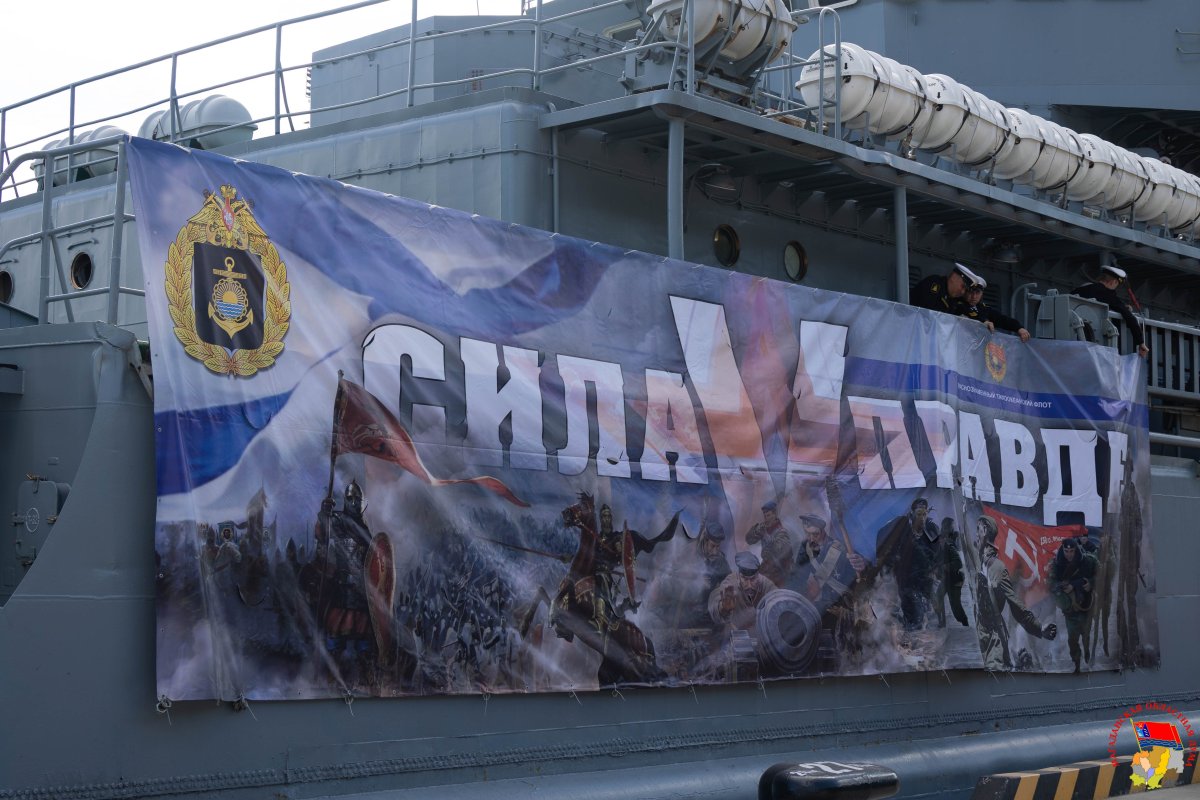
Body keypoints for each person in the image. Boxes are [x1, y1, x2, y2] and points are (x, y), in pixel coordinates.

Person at [975, 516, 1057, 671]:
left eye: (978, 531)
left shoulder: (997, 568)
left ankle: (1023, 656)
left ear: (985, 532)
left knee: (1017, 638)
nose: (976, 537)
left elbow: (1017, 606)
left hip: (995, 639)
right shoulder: (983, 564)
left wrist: (1039, 628)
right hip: (986, 636)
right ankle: (1022, 656)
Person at [792, 513, 866, 655]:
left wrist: (861, 564)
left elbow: (861, 574)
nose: (811, 539)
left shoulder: (839, 549)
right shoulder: (807, 547)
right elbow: (797, 576)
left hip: (843, 606)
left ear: (823, 531)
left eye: (815, 534)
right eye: (807, 534)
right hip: (823, 605)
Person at [874, 497, 942, 630]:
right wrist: (887, 566)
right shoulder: (902, 527)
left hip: (923, 577)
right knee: (910, 613)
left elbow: (937, 553)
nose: (922, 518)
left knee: (927, 613)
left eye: (924, 514)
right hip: (904, 576)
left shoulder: (931, 529)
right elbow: (885, 541)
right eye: (919, 514)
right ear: (912, 513)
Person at [1072, 263, 1149, 357]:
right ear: (1113, 282)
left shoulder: (1081, 289)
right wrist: (1141, 343)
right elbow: (1129, 317)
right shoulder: (1108, 295)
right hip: (1094, 347)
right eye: (1117, 285)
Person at [1048, 537, 1099, 673]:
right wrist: (1060, 587)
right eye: (1066, 551)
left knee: (1086, 635)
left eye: (1072, 551)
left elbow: (1101, 574)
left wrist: (1090, 583)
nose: (1069, 554)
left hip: (1086, 605)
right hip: (1070, 609)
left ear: (1076, 550)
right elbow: (1050, 583)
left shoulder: (1087, 561)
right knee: (1072, 639)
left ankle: (1087, 654)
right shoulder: (1057, 564)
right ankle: (1076, 662)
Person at [709, 551, 775, 632]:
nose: (749, 585)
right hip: (737, 634)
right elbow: (715, 600)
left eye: (753, 579)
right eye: (745, 579)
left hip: (761, 634)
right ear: (739, 576)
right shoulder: (731, 583)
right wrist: (723, 608)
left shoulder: (764, 582)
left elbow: (778, 596)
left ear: (758, 575)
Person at [958, 277, 1032, 342]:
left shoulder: (983, 308)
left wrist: (1019, 328)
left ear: (982, 294)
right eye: (971, 292)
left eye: (977, 292)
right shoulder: (957, 305)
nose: (974, 296)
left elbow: (1001, 319)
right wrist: (983, 322)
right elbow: (967, 315)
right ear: (965, 291)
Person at [746, 500, 794, 587]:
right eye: (765, 516)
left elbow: (781, 551)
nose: (766, 518)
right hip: (767, 566)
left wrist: (766, 536)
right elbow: (749, 540)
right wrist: (756, 531)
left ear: (775, 515)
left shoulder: (782, 532)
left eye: (768, 515)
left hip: (779, 570)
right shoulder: (764, 528)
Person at [934, 517, 969, 627]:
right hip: (946, 578)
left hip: (954, 579)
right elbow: (937, 556)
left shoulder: (952, 543)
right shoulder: (941, 540)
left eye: (950, 526)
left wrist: (945, 566)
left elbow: (958, 563)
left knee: (956, 608)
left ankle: (965, 624)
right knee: (937, 598)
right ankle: (941, 621)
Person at [911, 262, 983, 314]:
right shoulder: (935, 284)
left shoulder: (953, 298)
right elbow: (927, 311)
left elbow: (966, 309)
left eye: (965, 290)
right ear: (954, 278)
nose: (963, 292)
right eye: (963, 286)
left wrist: (984, 321)